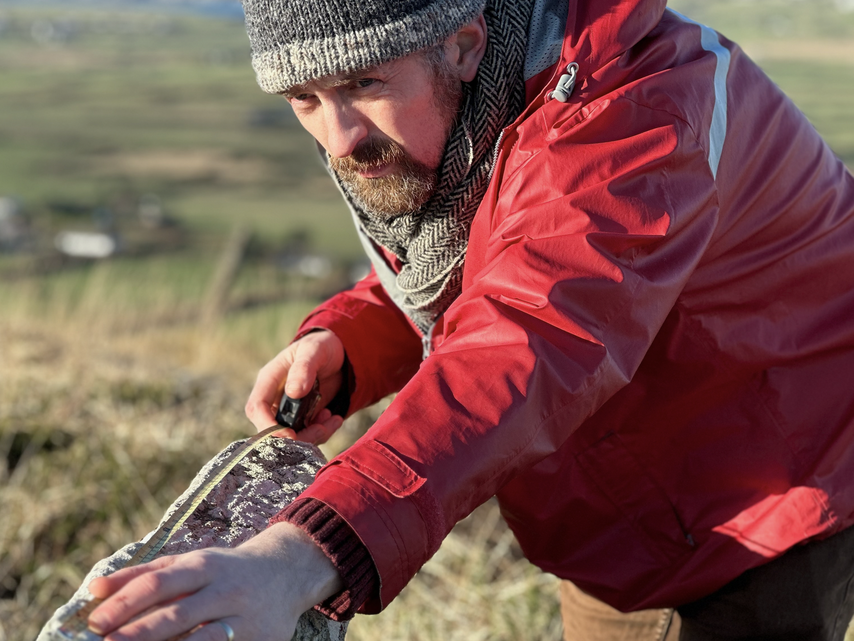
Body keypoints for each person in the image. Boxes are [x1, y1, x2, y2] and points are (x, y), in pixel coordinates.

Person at [83, 0, 854, 639]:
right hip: (633, 510)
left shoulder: (636, 109)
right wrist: (352, 337)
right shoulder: (488, 102)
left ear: (463, 44)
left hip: (764, 503)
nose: (339, 137)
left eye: (363, 81)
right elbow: (491, 254)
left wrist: (300, 554)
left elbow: (534, 334)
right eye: (304, 99)